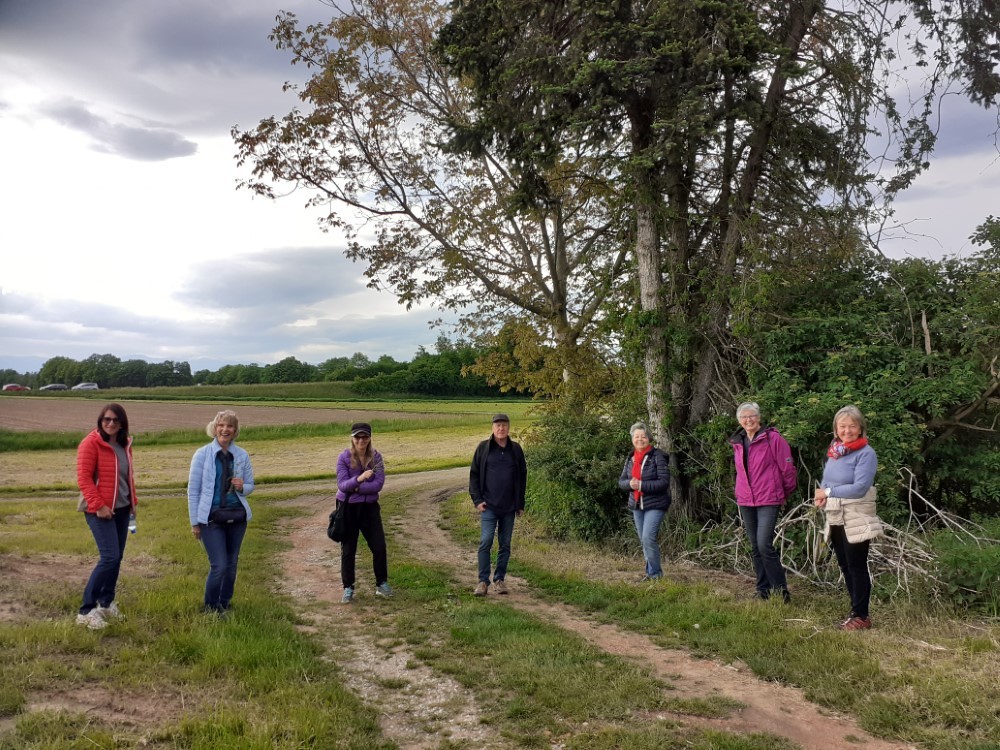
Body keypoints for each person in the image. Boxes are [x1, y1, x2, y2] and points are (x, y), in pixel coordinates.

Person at [813, 405, 882, 631]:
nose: (847, 430)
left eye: (852, 426)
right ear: (836, 429)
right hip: (836, 514)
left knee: (856, 565)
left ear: (860, 428)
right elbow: (828, 479)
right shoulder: (836, 451)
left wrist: (828, 492)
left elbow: (860, 488)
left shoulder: (866, 453)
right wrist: (822, 495)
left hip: (856, 514)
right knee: (845, 564)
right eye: (842, 426)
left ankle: (862, 616)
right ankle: (855, 612)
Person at [76, 403, 138, 629]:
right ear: (100, 421)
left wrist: (132, 503)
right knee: (109, 557)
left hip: (122, 509)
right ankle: (86, 611)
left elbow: (127, 477)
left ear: (122, 423)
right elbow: (83, 478)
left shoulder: (124, 444)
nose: (110, 423)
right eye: (106, 419)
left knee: (117, 557)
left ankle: (106, 602)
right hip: (99, 510)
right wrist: (99, 505)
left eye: (115, 420)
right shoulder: (91, 443)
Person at [188, 410, 255, 615]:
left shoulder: (242, 455)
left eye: (230, 426)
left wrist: (242, 487)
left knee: (232, 564)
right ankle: (211, 607)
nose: (225, 429)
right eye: (221, 425)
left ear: (235, 431)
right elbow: (193, 490)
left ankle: (225, 603)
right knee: (220, 565)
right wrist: (195, 523)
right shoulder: (202, 454)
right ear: (215, 428)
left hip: (237, 516)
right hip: (211, 519)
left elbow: (250, 486)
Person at [729, 402, 797, 602]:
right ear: (739, 421)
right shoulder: (738, 441)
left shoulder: (773, 439)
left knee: (764, 544)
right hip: (746, 500)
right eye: (744, 417)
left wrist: (783, 493)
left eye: (752, 416)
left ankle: (781, 592)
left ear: (758, 418)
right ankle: (763, 590)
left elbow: (788, 470)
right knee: (755, 546)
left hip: (768, 498)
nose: (748, 420)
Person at [470, 413, 527, 596]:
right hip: (489, 506)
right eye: (498, 425)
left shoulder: (515, 449)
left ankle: (499, 580)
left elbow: (522, 477)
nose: (501, 428)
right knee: (486, 541)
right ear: (492, 428)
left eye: (504, 425)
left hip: (509, 507)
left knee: (505, 544)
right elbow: (474, 475)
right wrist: (477, 500)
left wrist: (520, 503)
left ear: (508, 428)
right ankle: (483, 582)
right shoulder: (483, 448)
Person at [336, 422, 390, 603]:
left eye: (365, 436)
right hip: (348, 508)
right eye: (357, 437)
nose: (361, 440)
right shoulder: (343, 457)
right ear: (352, 438)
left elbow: (378, 484)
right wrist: (359, 478)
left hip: (369, 508)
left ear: (369, 438)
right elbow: (342, 485)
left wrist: (357, 488)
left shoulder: (376, 458)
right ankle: (348, 587)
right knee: (348, 549)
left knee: (379, 546)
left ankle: (382, 584)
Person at [618, 422, 671, 581]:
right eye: (636, 436)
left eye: (643, 436)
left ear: (649, 438)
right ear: (632, 439)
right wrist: (630, 484)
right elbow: (621, 481)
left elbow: (664, 482)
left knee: (648, 538)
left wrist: (641, 485)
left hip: (656, 504)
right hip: (636, 504)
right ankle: (650, 573)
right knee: (644, 540)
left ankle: (655, 575)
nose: (640, 439)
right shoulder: (631, 457)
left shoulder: (658, 456)